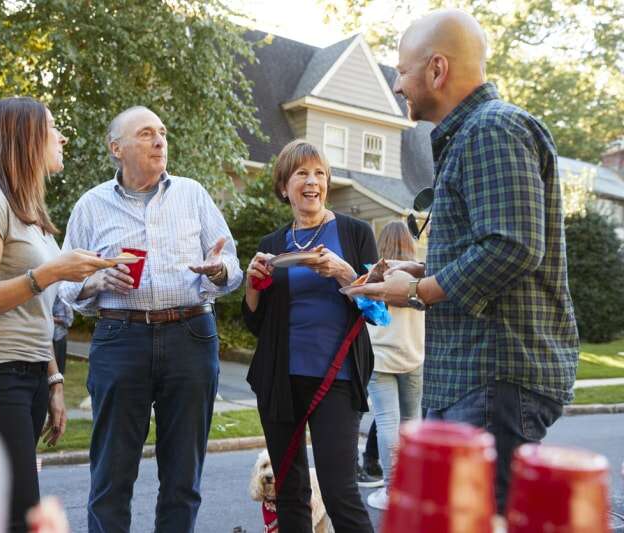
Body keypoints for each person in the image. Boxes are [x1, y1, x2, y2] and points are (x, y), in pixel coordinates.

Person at [343, 9, 579, 511]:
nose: (397, 83)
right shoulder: (471, 136)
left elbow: (513, 246)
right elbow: (491, 248)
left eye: (402, 70)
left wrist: (415, 292)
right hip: (474, 380)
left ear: (436, 69)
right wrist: (420, 271)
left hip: (495, 378)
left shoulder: (491, 128)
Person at [59, 105, 243, 533]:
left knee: (183, 476)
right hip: (120, 337)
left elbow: (230, 265)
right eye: (145, 133)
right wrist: (97, 278)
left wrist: (217, 271)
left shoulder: (193, 194)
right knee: (111, 474)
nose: (159, 140)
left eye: (161, 131)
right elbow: (65, 288)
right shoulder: (91, 206)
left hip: (192, 335)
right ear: (116, 148)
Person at [0, 97, 114, 533]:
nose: (62, 137)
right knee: (19, 518)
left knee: (14, 514)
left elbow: (34, 313)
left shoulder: (31, 215)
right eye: (53, 127)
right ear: (24, 138)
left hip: (27, 376)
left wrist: (54, 379)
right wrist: (50, 272)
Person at [243, 139, 376, 532]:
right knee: (290, 490)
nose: (312, 181)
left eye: (319, 173)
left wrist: (344, 273)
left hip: (338, 378)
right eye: (301, 173)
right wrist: (252, 285)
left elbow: (377, 308)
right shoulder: (273, 245)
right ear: (285, 186)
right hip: (280, 381)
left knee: (339, 491)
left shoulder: (354, 234)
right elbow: (256, 323)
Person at [363, 222, 425, 510]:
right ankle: (412, 489)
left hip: (379, 358)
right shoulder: (420, 275)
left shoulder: (372, 273)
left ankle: (392, 492)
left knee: (388, 424)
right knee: (412, 423)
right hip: (413, 357)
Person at [52, 296, 73, 374]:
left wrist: (54, 319)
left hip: (59, 337)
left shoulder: (65, 302)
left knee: (59, 367)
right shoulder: (49, 300)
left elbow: (69, 321)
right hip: (47, 337)